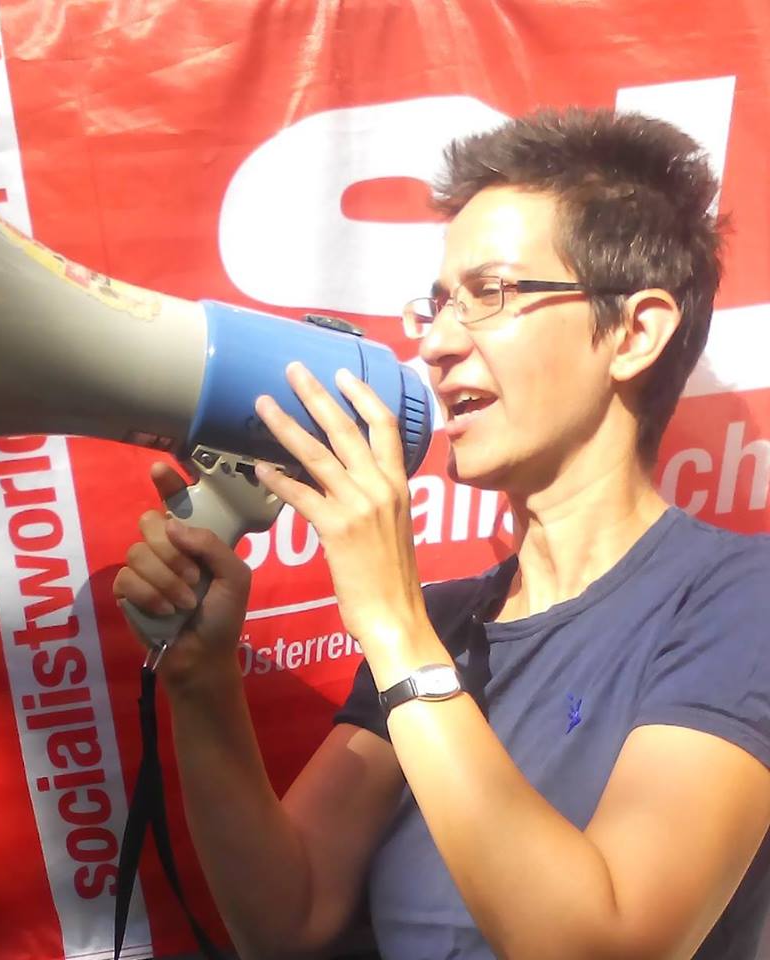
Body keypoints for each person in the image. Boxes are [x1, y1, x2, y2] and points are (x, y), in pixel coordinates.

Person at [113, 108, 770, 960]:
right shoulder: (444, 625)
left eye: (491, 295)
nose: (437, 344)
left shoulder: (739, 601)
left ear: (634, 332)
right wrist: (203, 684)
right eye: (438, 304)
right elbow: (287, 919)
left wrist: (392, 624)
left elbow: (607, 944)